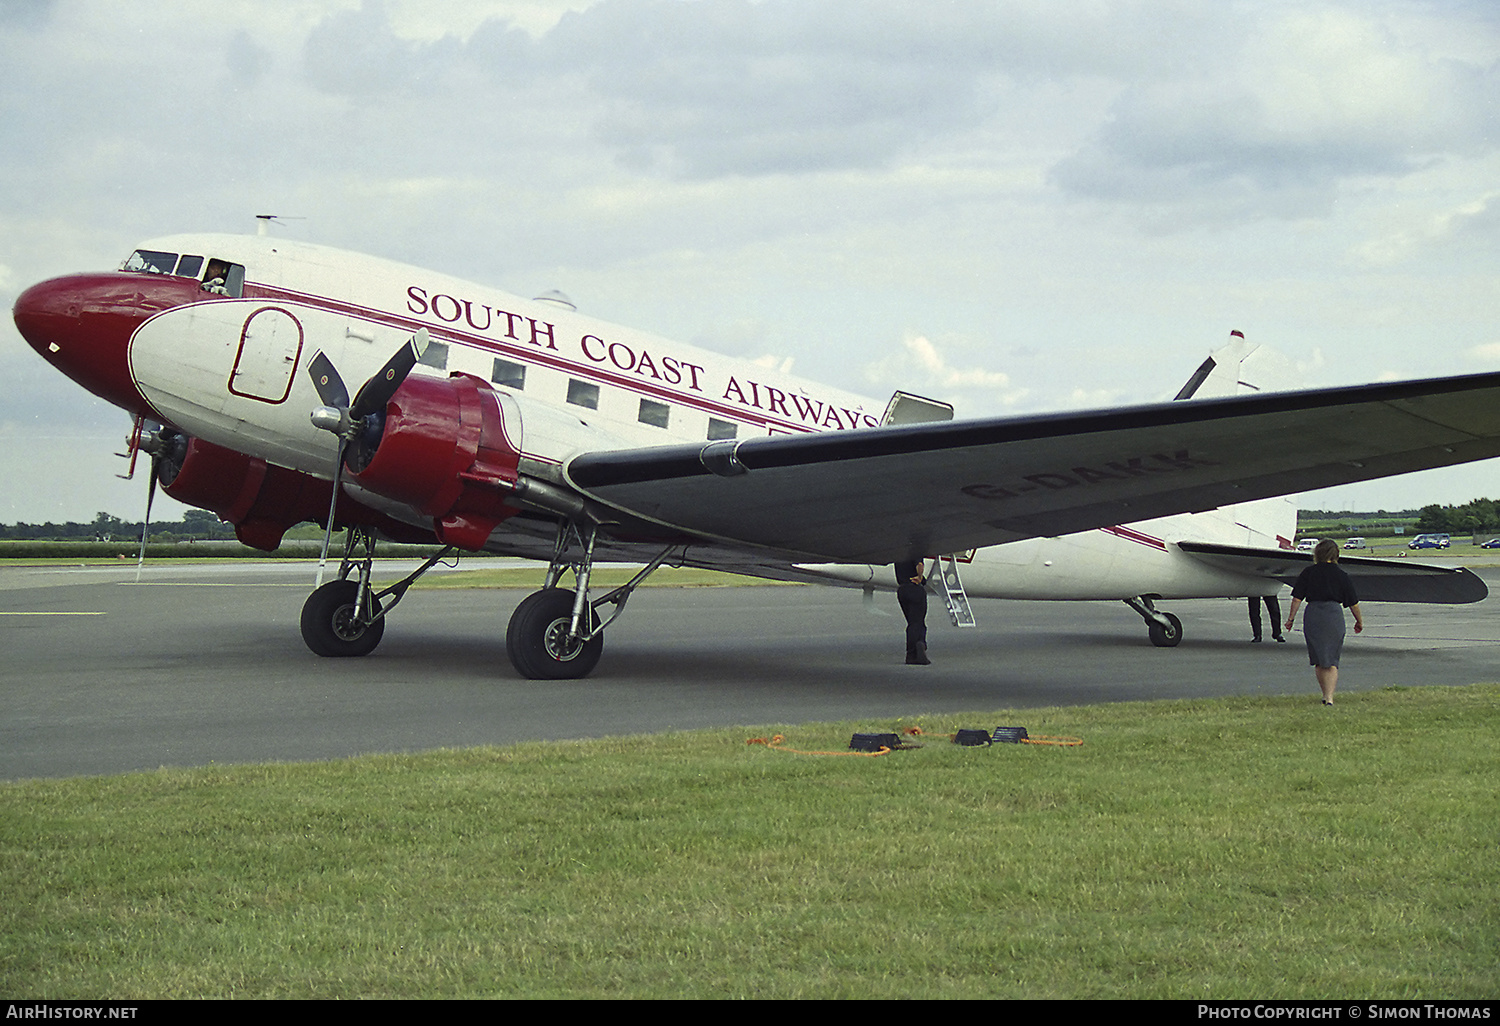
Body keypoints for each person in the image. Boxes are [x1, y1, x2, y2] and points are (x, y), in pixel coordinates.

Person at [1284, 540, 1363, 706]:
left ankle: (1325, 694)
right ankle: (1329, 697)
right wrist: (1359, 621)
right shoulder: (1341, 575)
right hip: (1334, 615)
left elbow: (1297, 598)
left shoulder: (1308, 572)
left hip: (1313, 614)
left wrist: (1291, 619)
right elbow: (1353, 602)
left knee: (1319, 658)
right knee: (1332, 659)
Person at [894, 560, 930, 665]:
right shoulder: (915, 548)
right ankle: (918, 646)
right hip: (914, 588)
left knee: (911, 622)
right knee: (918, 622)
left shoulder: (900, 553)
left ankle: (911, 654)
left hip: (902, 589)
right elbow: (919, 564)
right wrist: (920, 577)